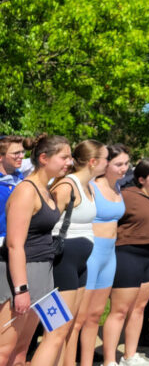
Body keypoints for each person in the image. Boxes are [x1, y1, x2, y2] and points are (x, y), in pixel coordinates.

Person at [0, 135, 74, 366]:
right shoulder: (26, 190)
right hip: (21, 276)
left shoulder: (46, 189)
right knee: (4, 350)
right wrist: (21, 289)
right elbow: (14, 244)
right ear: (44, 158)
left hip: (43, 273)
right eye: (64, 157)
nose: (69, 162)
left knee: (24, 349)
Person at [104, 159, 149, 366]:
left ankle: (129, 356)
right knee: (119, 310)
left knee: (139, 308)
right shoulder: (127, 196)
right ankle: (109, 361)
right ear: (141, 179)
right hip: (129, 254)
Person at [74, 144, 129, 366]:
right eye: (118, 164)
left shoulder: (118, 188)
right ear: (105, 164)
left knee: (96, 315)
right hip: (92, 254)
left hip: (110, 255)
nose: (123, 168)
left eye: (126, 163)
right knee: (80, 317)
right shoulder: (92, 187)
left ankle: (95, 362)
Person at [51, 140, 103, 366]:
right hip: (63, 260)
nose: (107, 163)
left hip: (81, 261)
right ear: (93, 162)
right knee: (57, 326)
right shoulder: (65, 186)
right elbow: (43, 222)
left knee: (73, 322)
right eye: (106, 158)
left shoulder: (89, 186)